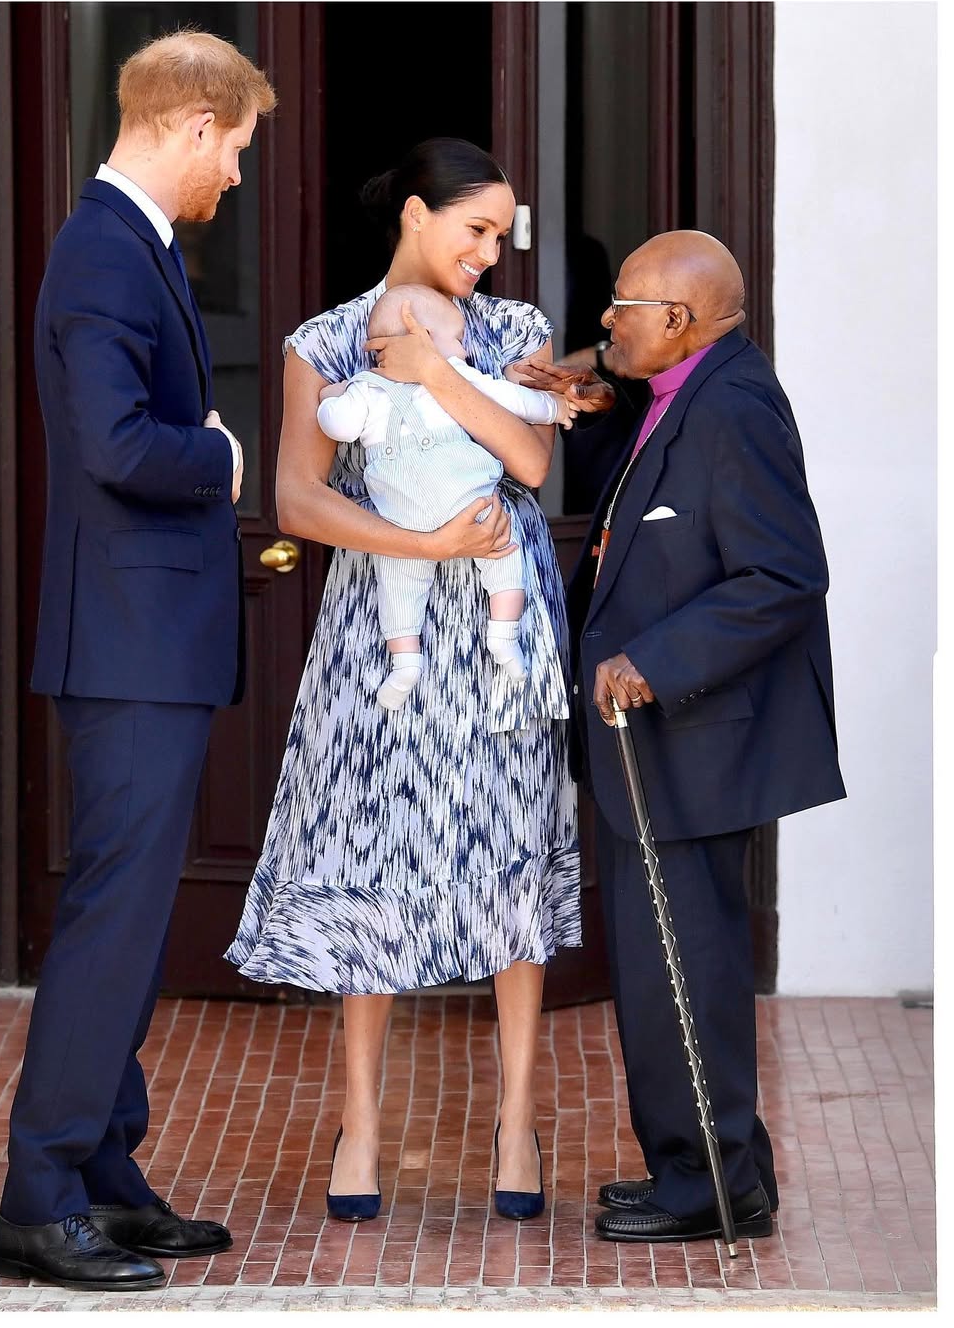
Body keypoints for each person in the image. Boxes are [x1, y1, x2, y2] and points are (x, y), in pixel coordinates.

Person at [225, 137, 614, 1224]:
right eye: (475, 228)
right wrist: (427, 547)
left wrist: (440, 374)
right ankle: (359, 1120)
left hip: (498, 620)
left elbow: (535, 464)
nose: (491, 252)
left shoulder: (515, 332)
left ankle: (516, 1117)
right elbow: (298, 500)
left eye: (502, 234)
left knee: (506, 845)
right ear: (412, 213)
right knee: (371, 851)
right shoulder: (323, 341)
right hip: (383, 620)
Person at [0, 32, 276, 1291]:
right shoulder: (106, 246)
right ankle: (40, 1198)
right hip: (128, 646)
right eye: (237, 152)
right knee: (112, 924)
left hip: (145, 641)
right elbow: (114, 445)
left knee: (135, 920)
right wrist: (219, 458)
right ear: (194, 124)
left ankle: (104, 1172)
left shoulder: (137, 246)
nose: (236, 180)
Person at [519, 230, 845, 1244]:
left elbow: (783, 574)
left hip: (697, 738)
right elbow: (669, 500)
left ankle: (710, 1186)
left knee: (687, 969)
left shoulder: (737, 405)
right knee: (663, 967)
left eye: (622, 306)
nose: (604, 320)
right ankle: (703, 1168)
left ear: (680, 322)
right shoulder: (684, 390)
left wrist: (654, 659)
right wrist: (601, 398)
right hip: (653, 750)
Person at [316, 282, 579, 707]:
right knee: (501, 558)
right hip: (453, 506)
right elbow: (515, 400)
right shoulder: (384, 384)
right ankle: (501, 635)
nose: (468, 348)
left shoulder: (367, 389)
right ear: (422, 335)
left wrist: (331, 398)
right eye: (458, 339)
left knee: (400, 587)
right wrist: (554, 409)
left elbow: (338, 424)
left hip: (410, 515)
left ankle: (408, 663)